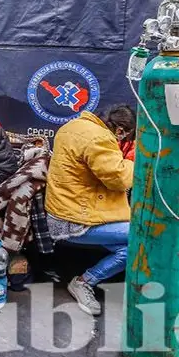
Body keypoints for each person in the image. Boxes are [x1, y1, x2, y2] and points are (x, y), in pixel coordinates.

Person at [45, 109, 134, 316]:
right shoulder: (99, 138)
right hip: (75, 222)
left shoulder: (72, 126)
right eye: (125, 137)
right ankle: (85, 281)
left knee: (131, 249)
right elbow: (119, 179)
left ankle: (84, 281)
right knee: (146, 236)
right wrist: (132, 161)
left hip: (64, 212)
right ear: (120, 130)